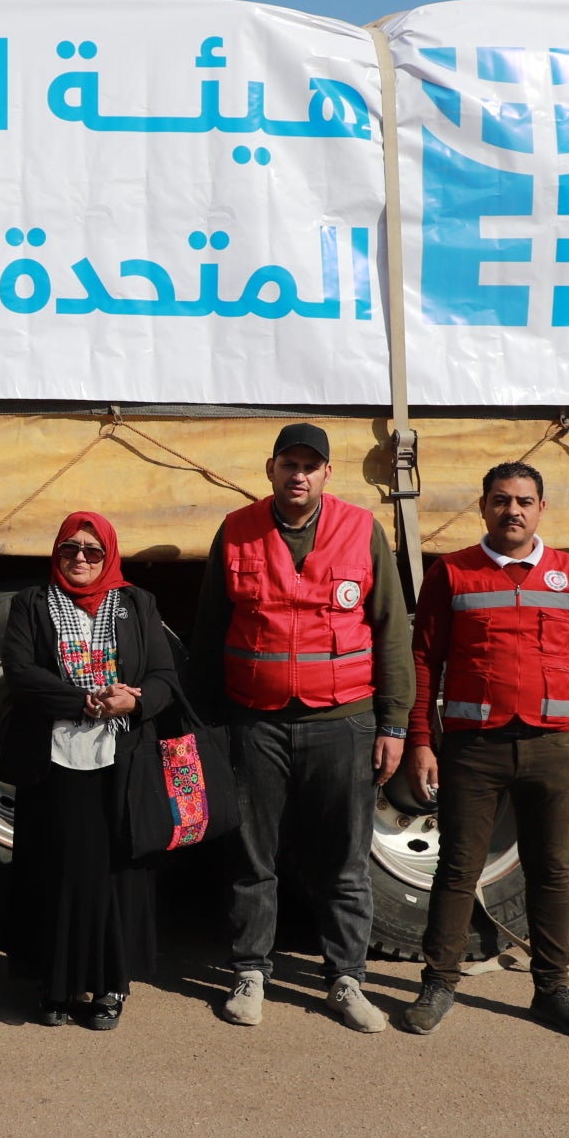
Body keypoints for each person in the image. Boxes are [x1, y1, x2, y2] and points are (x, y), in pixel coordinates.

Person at [188, 423, 413, 1033]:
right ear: (270, 468)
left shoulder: (362, 530)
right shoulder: (236, 530)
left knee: (343, 860)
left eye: (311, 465)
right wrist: (206, 724)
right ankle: (250, 972)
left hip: (343, 723)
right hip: (253, 723)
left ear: (326, 475)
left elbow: (393, 630)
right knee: (251, 856)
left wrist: (394, 723)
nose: (299, 474)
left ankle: (346, 979)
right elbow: (210, 630)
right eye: (290, 463)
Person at [398, 462, 569, 1041]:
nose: (513, 511)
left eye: (524, 501)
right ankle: (439, 983)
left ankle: (553, 989)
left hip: (552, 748)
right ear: (483, 506)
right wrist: (421, 742)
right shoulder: (451, 574)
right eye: (501, 500)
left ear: (541, 509)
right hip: (475, 748)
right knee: (457, 869)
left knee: (551, 871)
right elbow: (424, 661)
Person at [0, 512, 184, 1029]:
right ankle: (55, 986)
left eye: (92, 551)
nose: (80, 559)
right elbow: (20, 673)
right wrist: (86, 700)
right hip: (54, 760)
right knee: (58, 872)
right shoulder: (31, 604)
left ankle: (109, 987)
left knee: (115, 877)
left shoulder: (136, 603)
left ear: (109, 555)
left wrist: (133, 699)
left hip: (121, 761)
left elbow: (164, 676)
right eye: (69, 550)